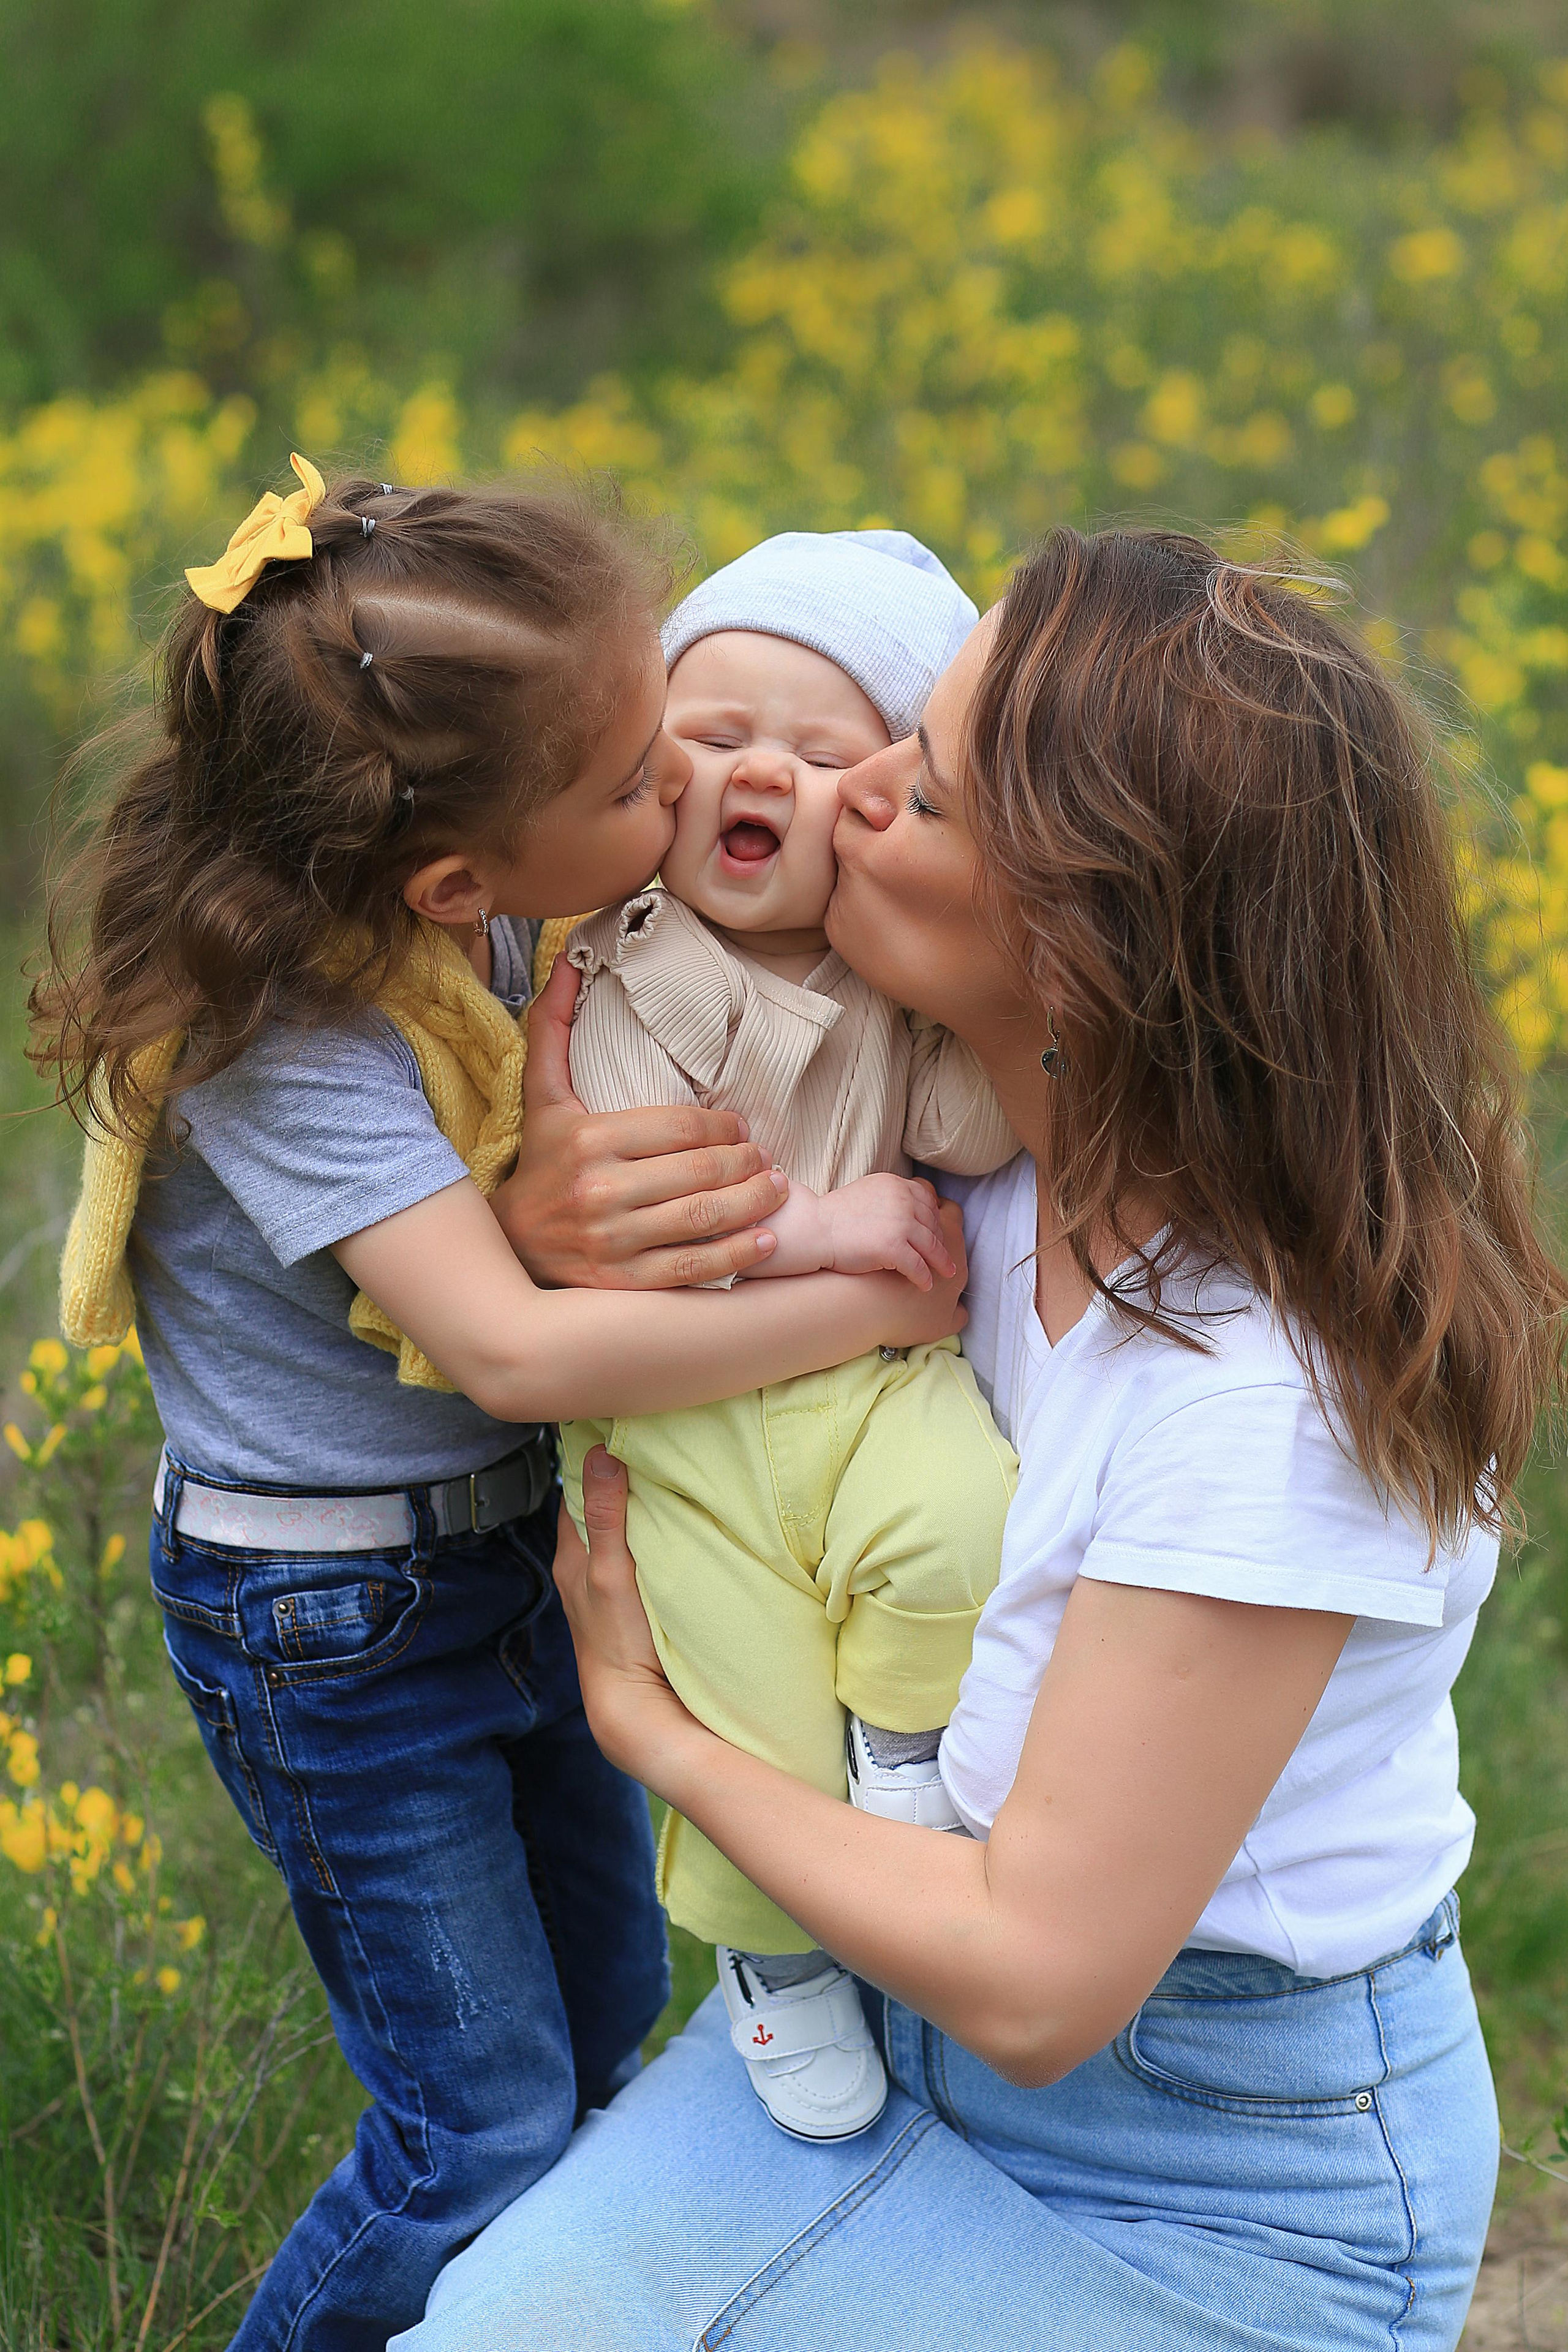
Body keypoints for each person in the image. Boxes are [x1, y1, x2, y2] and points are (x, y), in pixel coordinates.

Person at [394, 528, 1566, 2352]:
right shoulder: (981, 1183)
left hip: (1211, 2175)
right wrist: (560, 1217)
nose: (851, 785)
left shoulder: (1264, 1401)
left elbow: (1035, 1981)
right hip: (876, 2022)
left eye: (922, 786)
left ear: (1089, 942)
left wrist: (650, 1733)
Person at [29, 459, 965, 2352]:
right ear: (456, 881)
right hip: (334, 1630)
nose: (679, 786)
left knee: (607, 2026)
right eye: (633, 778)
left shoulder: (490, 899)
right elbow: (515, 1352)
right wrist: (859, 1304)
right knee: (476, 2129)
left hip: (507, 1558)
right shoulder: (280, 1030)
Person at [561, 530, 1019, 2143]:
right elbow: (640, 1222)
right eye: (713, 734)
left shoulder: (889, 980)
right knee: (738, 1705)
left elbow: (967, 1133)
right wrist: (821, 1228)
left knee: (963, 1519)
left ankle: (908, 1748)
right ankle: (771, 1958)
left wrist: (970, 1004)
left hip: (874, 1393)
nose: (762, 771)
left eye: (824, 759)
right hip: (680, 1430)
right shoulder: (620, 963)